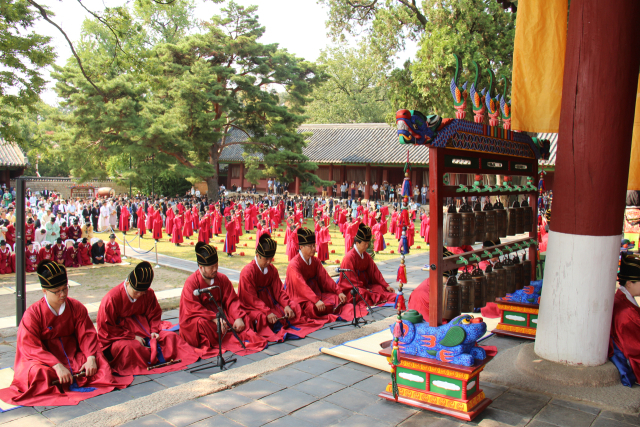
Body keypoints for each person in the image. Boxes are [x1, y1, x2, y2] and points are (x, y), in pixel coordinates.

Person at [0, 260, 133, 406]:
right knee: (37, 373)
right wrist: (56, 365)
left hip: (72, 353)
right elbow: (30, 347)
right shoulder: (32, 315)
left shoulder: (76, 307)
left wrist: (90, 357)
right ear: (44, 290)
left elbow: (87, 335)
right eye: (57, 291)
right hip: (45, 359)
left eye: (65, 288)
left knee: (98, 361)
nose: (62, 294)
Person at [97, 261, 199, 375]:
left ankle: (160, 360)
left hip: (145, 329)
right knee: (130, 348)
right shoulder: (111, 299)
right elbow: (106, 328)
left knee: (170, 337)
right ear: (127, 283)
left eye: (142, 293)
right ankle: (147, 363)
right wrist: (131, 337)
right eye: (136, 292)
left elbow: (154, 314)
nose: (140, 295)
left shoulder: (148, 293)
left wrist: (154, 330)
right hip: (121, 335)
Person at [179, 243, 267, 357]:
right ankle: (218, 339)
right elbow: (193, 308)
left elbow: (232, 300)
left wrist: (238, 317)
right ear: (201, 267)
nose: (215, 269)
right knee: (200, 324)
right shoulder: (191, 283)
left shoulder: (222, 279)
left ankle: (231, 331)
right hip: (204, 316)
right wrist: (214, 319)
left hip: (222, 312)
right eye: (211, 267)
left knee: (245, 317)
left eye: (216, 265)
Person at [238, 234, 325, 342]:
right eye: (266, 259)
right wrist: (267, 311)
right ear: (257, 255)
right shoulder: (247, 273)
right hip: (254, 306)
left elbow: (279, 291)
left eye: (270, 259)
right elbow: (251, 299)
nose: (269, 262)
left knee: (294, 307)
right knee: (262, 317)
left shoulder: (272, 269)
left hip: (272, 302)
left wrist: (286, 305)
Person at [285, 228, 347, 321]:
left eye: (314, 245)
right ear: (301, 247)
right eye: (310, 246)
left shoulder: (316, 261)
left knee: (337, 299)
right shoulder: (294, 265)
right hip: (301, 297)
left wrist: (339, 291)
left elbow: (326, 279)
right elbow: (301, 286)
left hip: (316, 294)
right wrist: (316, 300)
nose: (314, 248)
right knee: (312, 308)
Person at [338, 223, 396, 307]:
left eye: (367, 244)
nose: (366, 246)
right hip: (352, 288)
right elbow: (350, 279)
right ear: (357, 243)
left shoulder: (366, 256)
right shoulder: (349, 258)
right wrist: (363, 287)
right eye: (364, 244)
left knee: (380, 288)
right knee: (362, 293)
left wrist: (386, 285)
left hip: (365, 285)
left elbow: (375, 272)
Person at [609, 253, 640, 385]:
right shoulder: (626, 312)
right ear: (629, 284)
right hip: (630, 352)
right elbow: (634, 346)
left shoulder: (622, 297)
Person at [408, 249, 457, 320]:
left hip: (426, 291)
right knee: (436, 319)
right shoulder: (442, 274)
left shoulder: (448, 256)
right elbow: (444, 279)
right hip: (423, 298)